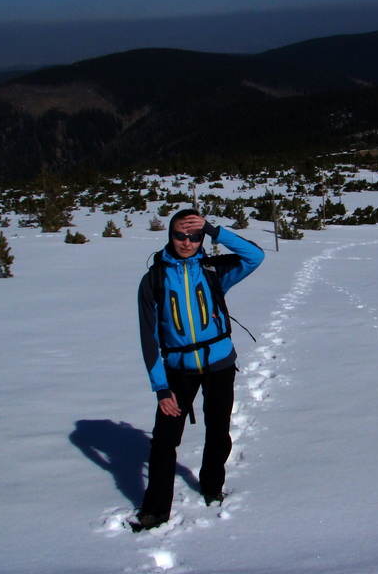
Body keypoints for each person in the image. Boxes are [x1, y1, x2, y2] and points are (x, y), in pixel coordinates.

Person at [130, 208, 264, 532]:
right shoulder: (154, 280)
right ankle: (156, 510)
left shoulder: (212, 270)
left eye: (194, 235)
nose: (187, 242)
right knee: (164, 440)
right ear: (169, 236)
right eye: (180, 234)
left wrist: (214, 229)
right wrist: (161, 388)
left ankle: (212, 486)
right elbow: (148, 338)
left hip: (219, 365)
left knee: (218, 430)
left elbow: (255, 256)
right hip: (178, 370)